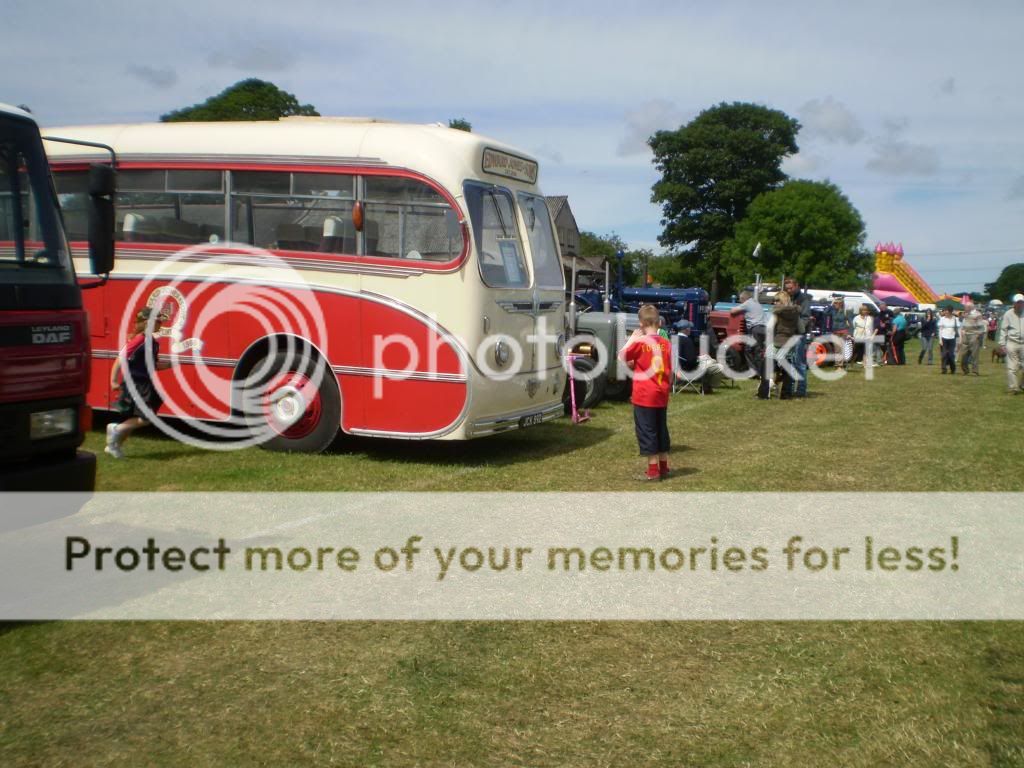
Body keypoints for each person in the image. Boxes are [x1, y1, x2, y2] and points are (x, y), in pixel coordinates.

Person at [105, 307, 174, 458]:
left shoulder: (153, 343)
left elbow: (152, 365)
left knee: (135, 417)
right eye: (157, 320)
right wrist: (113, 380)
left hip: (144, 383)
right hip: (137, 384)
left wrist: (170, 364)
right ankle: (116, 429)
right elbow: (120, 358)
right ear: (146, 322)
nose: (160, 323)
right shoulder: (139, 340)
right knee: (146, 417)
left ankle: (113, 446)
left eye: (160, 320)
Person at [620, 304, 675, 480]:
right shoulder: (666, 343)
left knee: (647, 430)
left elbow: (621, 356)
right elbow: (669, 369)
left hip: (645, 394)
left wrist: (631, 339)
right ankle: (664, 466)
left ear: (641, 324)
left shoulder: (641, 342)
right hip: (661, 392)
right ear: (659, 322)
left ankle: (652, 470)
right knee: (661, 429)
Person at [766, 291, 800, 400]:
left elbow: (769, 328)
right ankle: (785, 394)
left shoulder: (777, 313)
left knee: (768, 368)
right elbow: (802, 328)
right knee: (787, 371)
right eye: (774, 300)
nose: (775, 303)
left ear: (783, 301)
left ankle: (764, 392)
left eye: (777, 300)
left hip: (777, 343)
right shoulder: (795, 313)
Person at [676, 320, 724, 394]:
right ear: (686, 329)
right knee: (719, 367)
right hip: (688, 369)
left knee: (707, 358)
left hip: (677, 367)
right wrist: (699, 360)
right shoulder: (687, 341)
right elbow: (691, 361)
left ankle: (711, 363)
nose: (690, 329)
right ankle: (707, 387)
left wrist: (699, 358)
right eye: (689, 328)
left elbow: (684, 356)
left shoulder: (672, 339)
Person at [783, 277, 812, 396]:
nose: (789, 290)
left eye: (791, 288)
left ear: (796, 286)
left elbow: (805, 318)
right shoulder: (787, 298)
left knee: (799, 363)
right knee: (788, 362)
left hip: (798, 334)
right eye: (787, 289)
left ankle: (800, 390)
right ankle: (788, 389)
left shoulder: (803, 299)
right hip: (786, 334)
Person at [730, 289, 767, 379]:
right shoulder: (756, 302)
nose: (740, 302)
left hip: (756, 329)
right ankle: (758, 371)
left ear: (743, 299)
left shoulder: (747, 303)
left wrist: (738, 307)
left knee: (753, 351)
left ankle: (757, 373)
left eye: (740, 300)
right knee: (754, 350)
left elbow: (733, 311)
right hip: (763, 329)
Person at [997, 293, 1024, 394]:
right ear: (1014, 303)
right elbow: (1003, 329)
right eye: (1018, 302)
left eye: (1021, 302)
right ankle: (1013, 388)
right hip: (1012, 342)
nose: (1020, 304)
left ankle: (1022, 384)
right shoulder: (1008, 314)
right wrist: (1002, 344)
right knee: (1012, 367)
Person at [959, 304, 987, 376]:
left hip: (974, 335)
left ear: (970, 307)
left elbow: (981, 327)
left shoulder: (977, 315)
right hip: (965, 335)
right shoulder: (966, 315)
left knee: (974, 354)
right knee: (963, 354)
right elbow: (963, 324)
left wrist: (978, 335)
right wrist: (962, 331)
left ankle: (975, 371)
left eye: (965, 307)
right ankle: (965, 370)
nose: (964, 308)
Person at [937, 307, 960, 376]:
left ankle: (953, 369)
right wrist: (940, 340)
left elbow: (958, 329)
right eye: (945, 312)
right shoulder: (942, 319)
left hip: (952, 338)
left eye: (947, 312)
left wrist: (960, 339)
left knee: (951, 355)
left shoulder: (956, 319)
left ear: (951, 312)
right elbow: (940, 330)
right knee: (944, 354)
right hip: (944, 338)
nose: (946, 313)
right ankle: (944, 369)